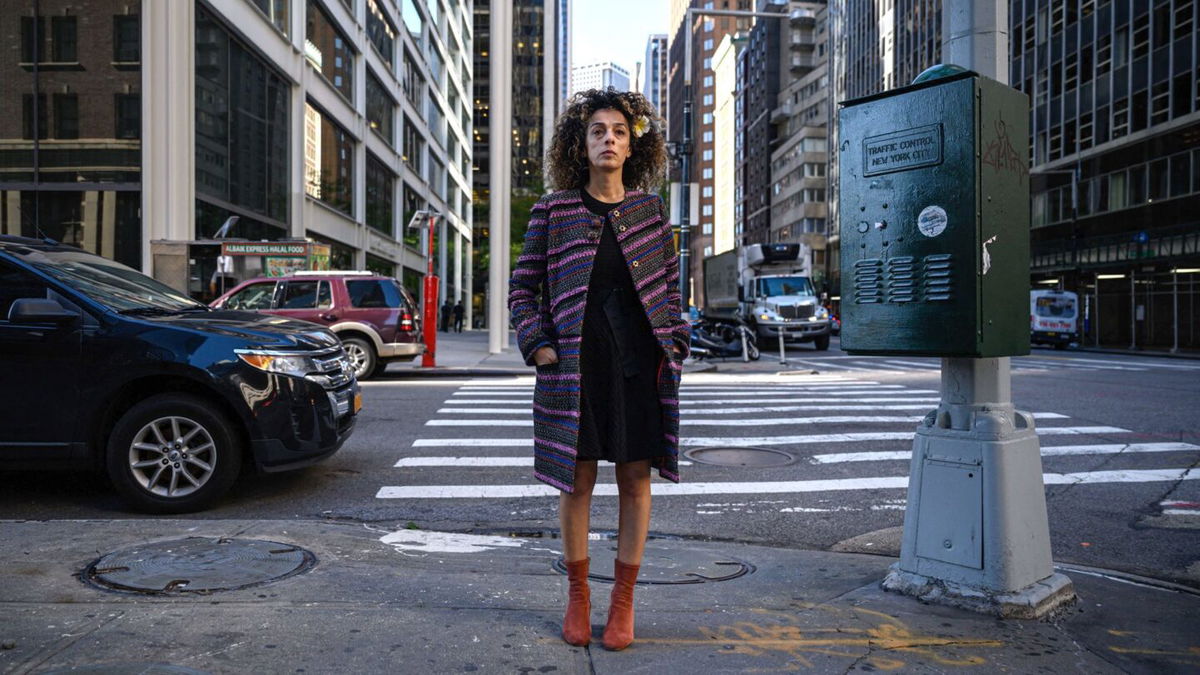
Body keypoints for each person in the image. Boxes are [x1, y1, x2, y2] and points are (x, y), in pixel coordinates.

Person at [508, 88, 689, 651]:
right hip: (573, 367)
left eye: (617, 132)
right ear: (580, 145)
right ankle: (579, 596)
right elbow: (522, 288)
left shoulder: (650, 212)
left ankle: (623, 602)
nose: (608, 139)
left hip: (637, 365)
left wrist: (674, 344)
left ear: (633, 146)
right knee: (576, 478)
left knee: (634, 479)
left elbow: (669, 290)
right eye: (597, 132)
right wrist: (538, 344)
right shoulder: (553, 210)